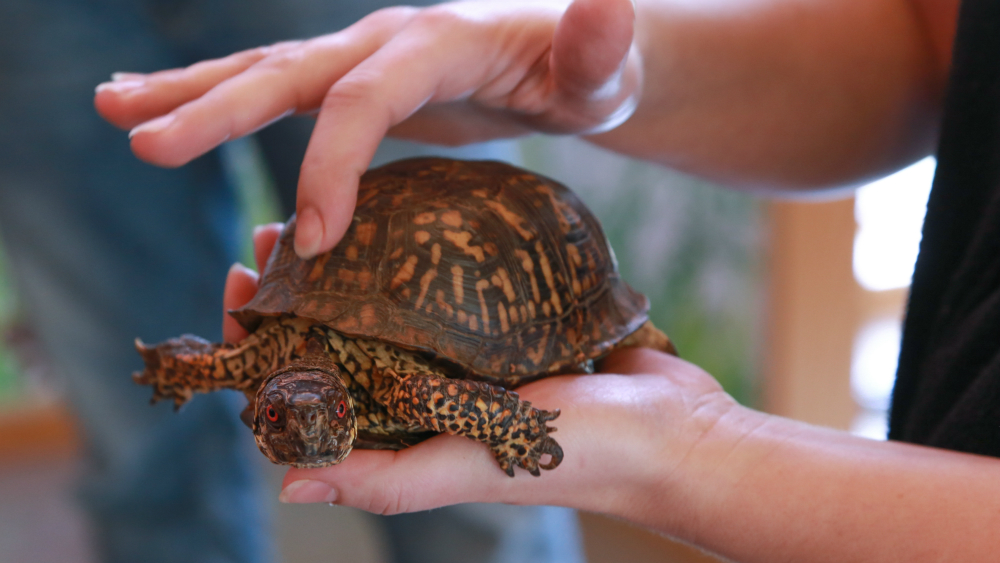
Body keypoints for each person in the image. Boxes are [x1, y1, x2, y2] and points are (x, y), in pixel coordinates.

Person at [94, 0, 1000, 560]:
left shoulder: (400, 383)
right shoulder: (289, 353)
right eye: (281, 412)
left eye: (287, 411)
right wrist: (610, 82)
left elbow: (419, 383)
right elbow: (945, 56)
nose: (279, 417)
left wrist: (701, 455)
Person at [0, 1, 583, 562]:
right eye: (280, 417)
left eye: (312, 417)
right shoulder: (273, 359)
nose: (304, 428)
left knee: (479, 494)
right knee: (148, 462)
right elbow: (212, 365)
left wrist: (513, 426)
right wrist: (178, 369)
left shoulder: (404, 386)